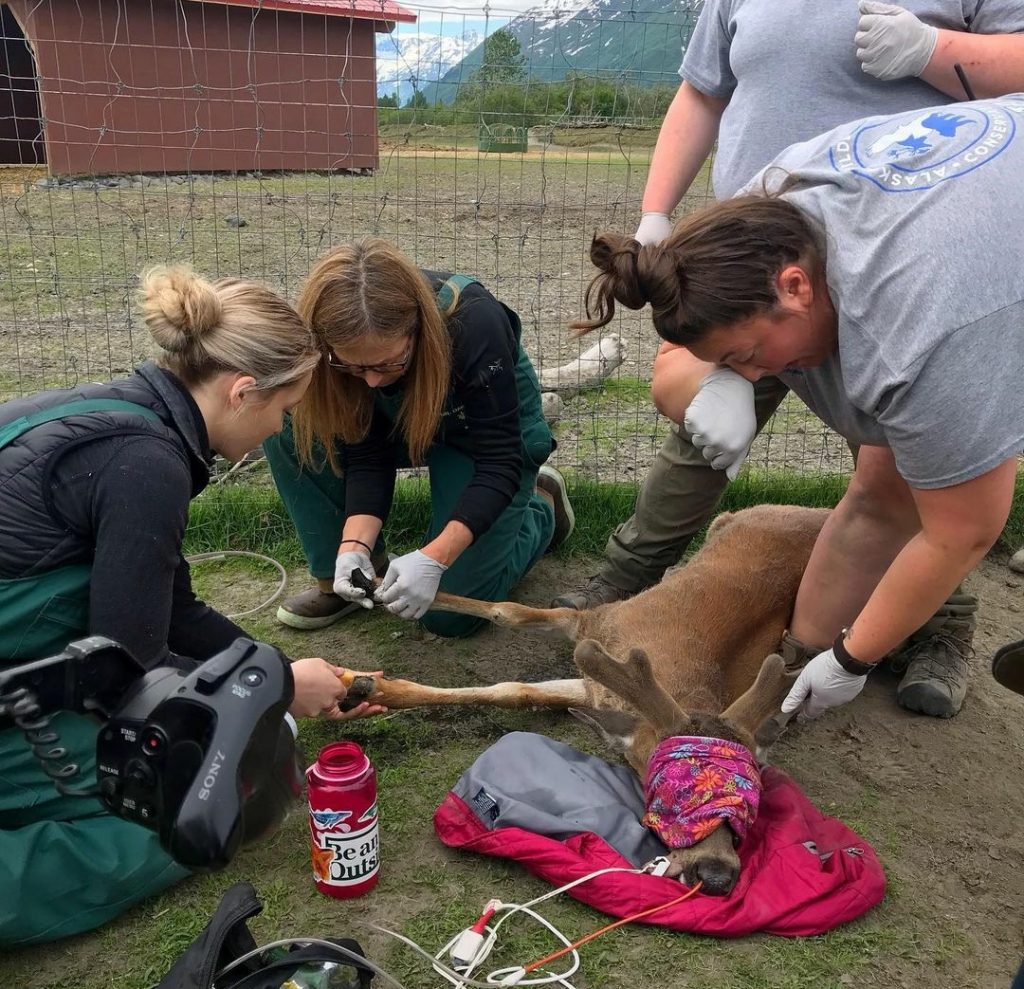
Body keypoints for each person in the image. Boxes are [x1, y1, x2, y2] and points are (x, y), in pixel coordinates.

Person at [555, 0, 1024, 719]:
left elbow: (964, 526)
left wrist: (851, 658)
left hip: (974, 274)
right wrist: (797, 664)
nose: (750, 371)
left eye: (745, 355)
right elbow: (873, 507)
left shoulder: (925, 330)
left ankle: (922, 632)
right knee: (883, 486)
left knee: (935, 490)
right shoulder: (785, 190)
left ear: (796, 286)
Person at [0, 266, 383, 947]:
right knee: (195, 808)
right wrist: (278, 693)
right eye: (284, 412)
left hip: (22, 663)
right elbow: (130, 670)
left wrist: (277, 672)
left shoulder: (122, 416)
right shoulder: (147, 463)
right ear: (242, 393)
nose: (278, 431)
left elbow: (169, 607)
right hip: (26, 678)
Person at [265, 238, 573, 639]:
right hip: (399, 423)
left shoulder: (473, 322)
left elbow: (498, 460)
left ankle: (541, 506)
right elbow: (366, 451)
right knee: (290, 422)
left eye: (386, 363)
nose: (372, 380)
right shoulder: (331, 346)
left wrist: (436, 558)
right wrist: (353, 544)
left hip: (475, 434)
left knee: (450, 614)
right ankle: (354, 577)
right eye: (354, 367)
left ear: (416, 330)